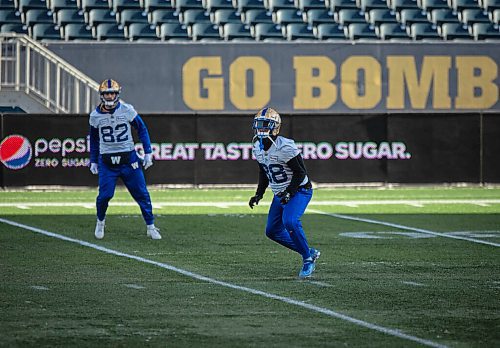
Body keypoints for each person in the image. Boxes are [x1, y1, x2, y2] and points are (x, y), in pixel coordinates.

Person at [248, 107, 320, 278]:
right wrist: (259, 193)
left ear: (275, 128)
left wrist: (289, 192)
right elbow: (263, 171)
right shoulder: (257, 147)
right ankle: (308, 250)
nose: (262, 129)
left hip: (300, 190)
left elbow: (300, 172)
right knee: (272, 231)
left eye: (266, 125)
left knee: (291, 222)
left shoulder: (285, 146)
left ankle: (308, 259)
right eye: (259, 125)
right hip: (280, 193)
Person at [88, 79, 161, 240]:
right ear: (102, 95)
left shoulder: (127, 110)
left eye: (112, 93)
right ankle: (100, 221)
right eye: (107, 94)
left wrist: (148, 152)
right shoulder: (95, 116)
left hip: (129, 160)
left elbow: (142, 129)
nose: (109, 96)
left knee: (142, 194)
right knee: (105, 196)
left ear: (117, 93)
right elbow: (93, 140)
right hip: (107, 163)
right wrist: (93, 160)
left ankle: (151, 226)